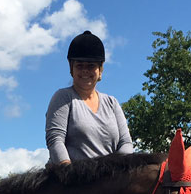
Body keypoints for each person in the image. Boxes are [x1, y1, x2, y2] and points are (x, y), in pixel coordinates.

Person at [45, 30, 133, 165]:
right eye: (80, 65)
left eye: (91, 65)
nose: (85, 70)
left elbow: (125, 142)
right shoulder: (62, 98)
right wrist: (69, 173)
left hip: (110, 178)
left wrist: (119, 170)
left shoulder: (112, 103)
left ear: (100, 69)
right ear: (71, 68)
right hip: (70, 178)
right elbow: (55, 140)